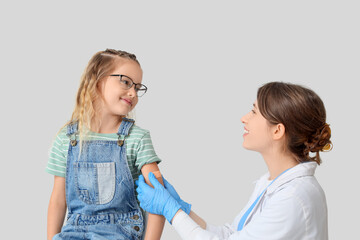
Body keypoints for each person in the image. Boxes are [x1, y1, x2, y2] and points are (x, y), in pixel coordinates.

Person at [136, 81, 332, 239]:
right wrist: (181, 208)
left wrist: (170, 210)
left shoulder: (294, 198)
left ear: (277, 130)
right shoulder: (271, 183)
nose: (244, 118)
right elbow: (231, 235)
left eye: (254, 112)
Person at [46, 49, 166, 240]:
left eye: (137, 87)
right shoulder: (66, 139)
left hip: (120, 233)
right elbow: (58, 200)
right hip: (74, 233)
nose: (133, 92)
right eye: (126, 82)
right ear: (97, 80)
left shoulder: (137, 139)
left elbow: (159, 199)